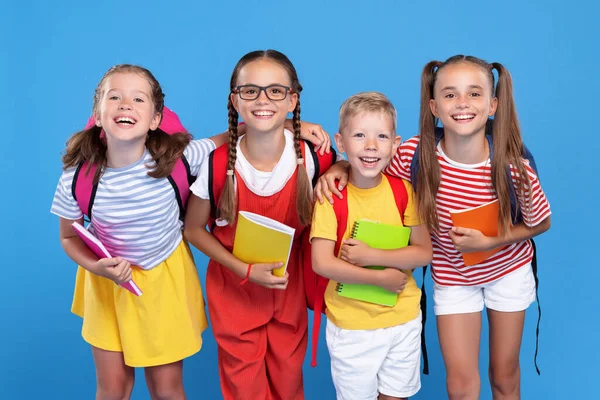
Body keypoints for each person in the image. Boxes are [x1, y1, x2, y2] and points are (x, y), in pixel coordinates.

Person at [51, 63, 329, 400]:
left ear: (156, 120)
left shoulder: (181, 160)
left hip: (162, 283)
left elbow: (241, 131)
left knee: (166, 389)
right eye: (115, 97)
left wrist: (291, 124)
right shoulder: (76, 177)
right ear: (97, 114)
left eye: (138, 99)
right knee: (113, 387)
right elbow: (68, 236)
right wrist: (96, 267)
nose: (125, 105)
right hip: (106, 284)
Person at [316, 55, 552, 400]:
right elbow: (367, 158)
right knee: (460, 383)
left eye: (474, 94)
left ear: (492, 105)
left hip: (507, 270)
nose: (462, 104)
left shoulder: (512, 165)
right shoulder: (413, 153)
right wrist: (337, 167)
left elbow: (541, 221)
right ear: (434, 107)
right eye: (449, 95)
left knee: (504, 375)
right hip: (453, 275)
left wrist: (491, 241)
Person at [183, 49, 335, 400]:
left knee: (287, 385)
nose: (262, 99)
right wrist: (245, 270)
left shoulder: (316, 157)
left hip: (289, 293)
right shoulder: (216, 164)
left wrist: (339, 170)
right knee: (245, 391)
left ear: (292, 99)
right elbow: (192, 229)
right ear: (235, 100)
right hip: (235, 294)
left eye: (275, 91)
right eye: (250, 90)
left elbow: (353, 177)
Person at [311, 92, 432, 400]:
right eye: (360, 135)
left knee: (396, 395)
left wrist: (372, 256)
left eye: (381, 136)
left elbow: (423, 251)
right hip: (352, 326)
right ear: (341, 142)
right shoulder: (331, 196)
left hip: (403, 319)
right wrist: (378, 276)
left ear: (395, 144)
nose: (371, 145)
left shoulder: (403, 191)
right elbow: (322, 263)